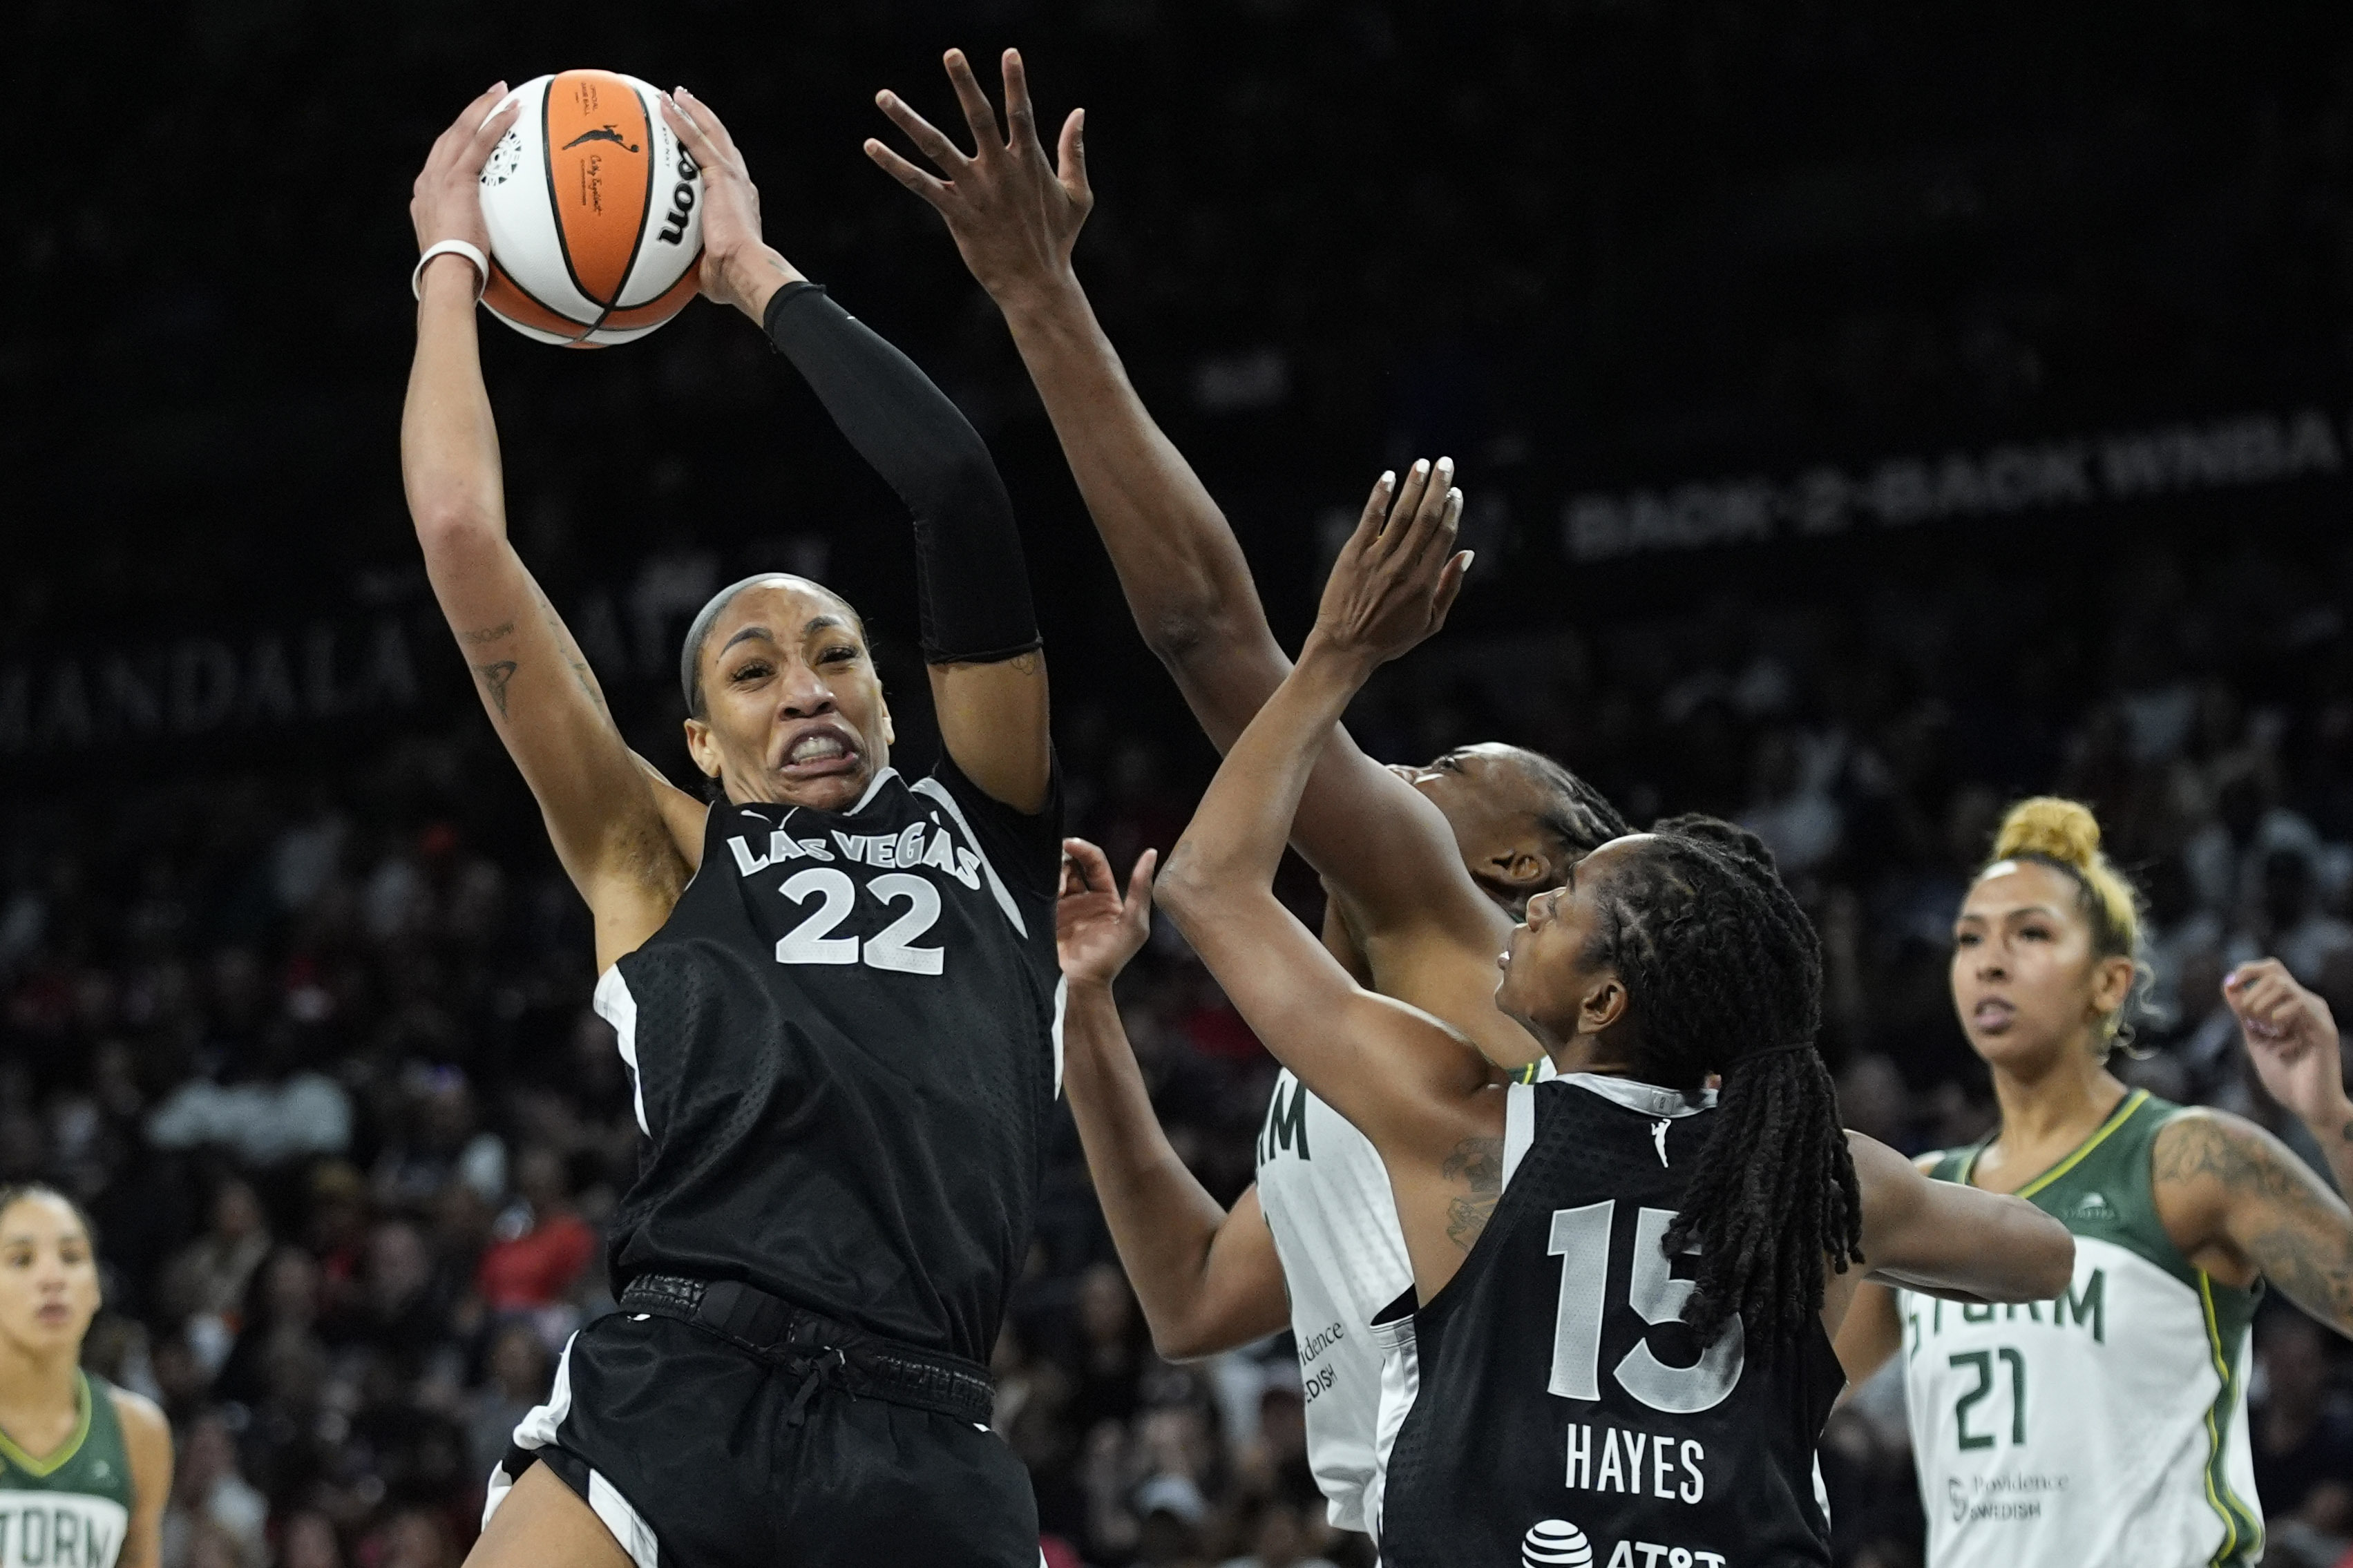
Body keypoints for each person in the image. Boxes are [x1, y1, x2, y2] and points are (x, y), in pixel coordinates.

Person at [869, 49, 1626, 1538]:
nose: (1399, 783)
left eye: (1444, 779)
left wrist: (1038, 295)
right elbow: (1194, 1296)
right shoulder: (1353, 1049)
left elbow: (1207, 638)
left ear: (1533, 875)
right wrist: (1088, 1017)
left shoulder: (1463, 952)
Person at [1132, 467, 2076, 1565]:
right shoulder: (1818, 1178)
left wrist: (1338, 655)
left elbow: (1205, 883)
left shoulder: (1460, 1129)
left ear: (1603, 997)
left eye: (1566, 901)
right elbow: (2042, 1256)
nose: (1533, 902)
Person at [406, 83, 1061, 1568]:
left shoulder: (994, 830)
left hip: (923, 1433)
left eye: (836, 654)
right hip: (681, 1382)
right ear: (697, 742)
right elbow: (461, 536)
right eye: (752, 671)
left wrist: (751, 273)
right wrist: (448, 262)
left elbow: (955, 486)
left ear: (894, 699)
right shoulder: (661, 852)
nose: (807, 687)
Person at [1835, 799, 2353, 1567]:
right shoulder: (1919, 1193)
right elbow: (1781, 1403)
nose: (1990, 960)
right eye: (1970, 936)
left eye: (2030, 934)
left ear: (2109, 981)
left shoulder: (2189, 1157)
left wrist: (2329, 1114)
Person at [0, 1183, 173, 1568]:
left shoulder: (138, 1431)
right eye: (22, 1259)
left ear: (95, 1286)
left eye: (71, 1256)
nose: (53, 1278)